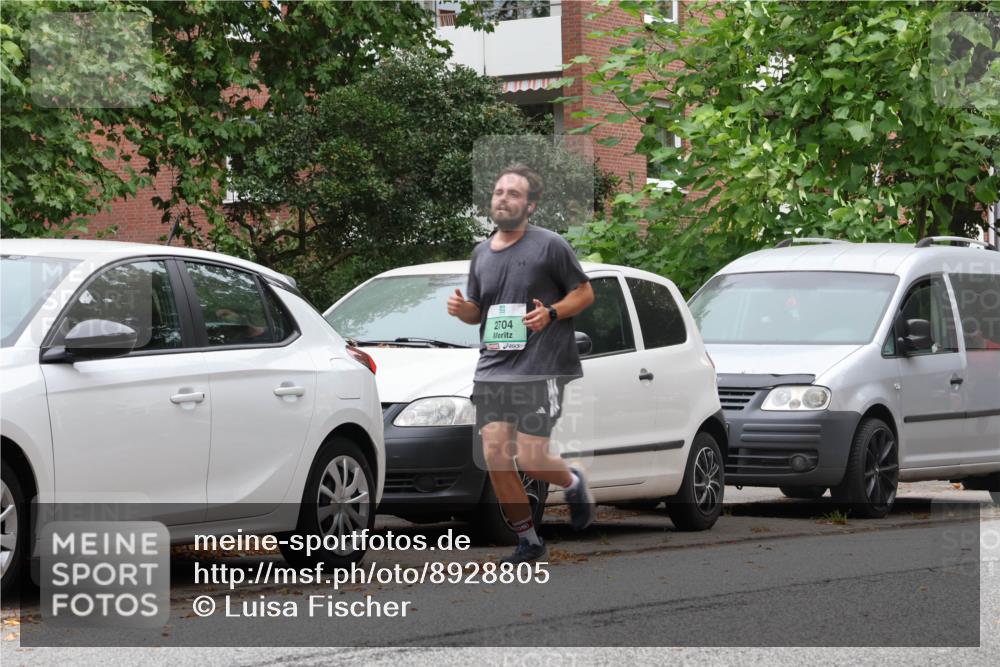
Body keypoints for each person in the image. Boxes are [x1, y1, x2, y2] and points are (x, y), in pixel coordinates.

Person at [446, 163, 597, 564]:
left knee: (530, 457)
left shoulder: (550, 245)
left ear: (530, 205)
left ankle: (572, 480)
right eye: (499, 192)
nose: (503, 198)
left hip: (540, 365)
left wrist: (550, 312)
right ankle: (528, 539)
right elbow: (479, 311)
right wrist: (464, 309)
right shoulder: (481, 253)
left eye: (514, 194)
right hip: (494, 368)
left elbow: (584, 294)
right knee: (496, 456)